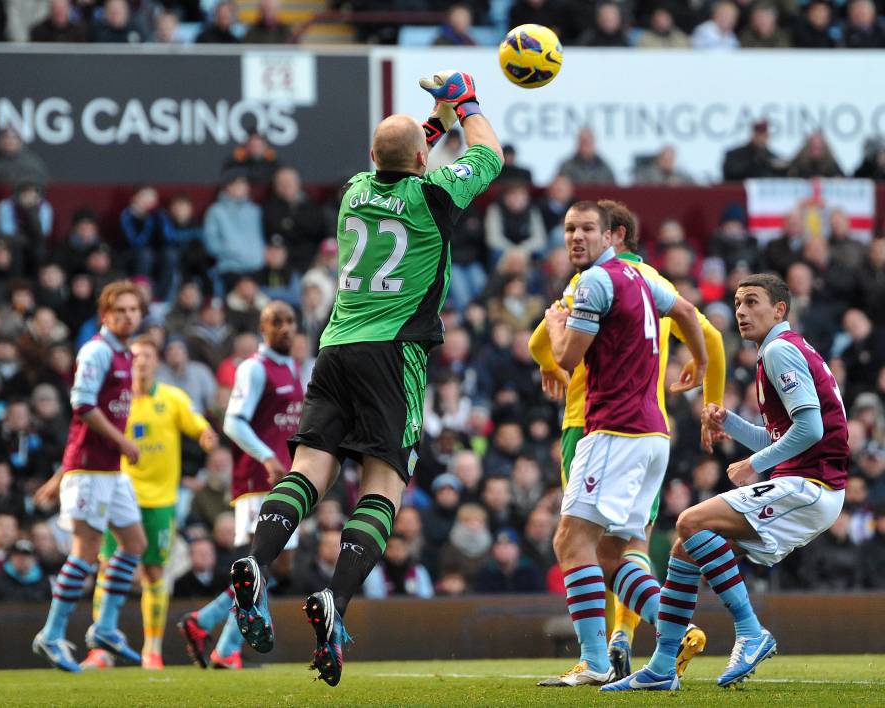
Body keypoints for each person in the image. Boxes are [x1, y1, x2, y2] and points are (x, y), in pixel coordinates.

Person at [225, 70, 502, 687]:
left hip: (334, 348)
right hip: (393, 353)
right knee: (384, 485)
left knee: (308, 474)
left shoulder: (354, 189)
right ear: (424, 158)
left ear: (373, 157)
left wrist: (433, 114)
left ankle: (255, 561)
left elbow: (403, 149)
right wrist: (465, 100)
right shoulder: (434, 196)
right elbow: (489, 153)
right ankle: (335, 600)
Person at [605, 273, 849, 691]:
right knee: (685, 548)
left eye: (752, 302)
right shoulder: (780, 352)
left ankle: (751, 632)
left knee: (690, 521)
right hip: (809, 486)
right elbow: (782, 433)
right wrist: (729, 423)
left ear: (779, 310)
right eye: (737, 303)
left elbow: (810, 430)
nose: (741, 311)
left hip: (812, 486)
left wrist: (754, 464)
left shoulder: (779, 352)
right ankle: (663, 667)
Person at [530, 199, 725, 681]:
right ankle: (671, 633)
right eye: (570, 229)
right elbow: (685, 311)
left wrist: (556, 329)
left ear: (609, 236)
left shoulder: (593, 282)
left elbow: (568, 357)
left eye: (586, 229)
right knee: (615, 552)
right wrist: (699, 364)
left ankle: (595, 661)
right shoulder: (645, 279)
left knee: (571, 540)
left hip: (612, 430)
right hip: (654, 433)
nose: (576, 237)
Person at [30, 281, 148, 672]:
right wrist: (124, 442)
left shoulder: (126, 354)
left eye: (134, 310)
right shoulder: (96, 351)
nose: (129, 316)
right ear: (105, 316)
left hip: (110, 471)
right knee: (85, 551)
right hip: (90, 470)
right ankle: (51, 634)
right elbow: (82, 405)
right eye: (121, 311)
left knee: (134, 543)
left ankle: (106, 628)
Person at [80, 335, 218, 670]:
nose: (141, 362)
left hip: (160, 500)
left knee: (153, 571)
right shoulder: (116, 401)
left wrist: (205, 433)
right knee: (109, 569)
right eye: (135, 356)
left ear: (157, 362)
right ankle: (102, 649)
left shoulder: (172, 399)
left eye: (147, 357)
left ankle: (151, 651)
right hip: (118, 494)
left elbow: (195, 421)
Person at [179, 301, 304, 670]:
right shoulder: (253, 368)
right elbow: (233, 423)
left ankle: (204, 624)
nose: (284, 327)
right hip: (258, 479)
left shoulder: (293, 368)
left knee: (277, 567)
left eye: (290, 320)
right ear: (263, 329)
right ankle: (226, 647)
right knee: (260, 567)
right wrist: (267, 457)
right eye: (276, 322)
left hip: (287, 479)